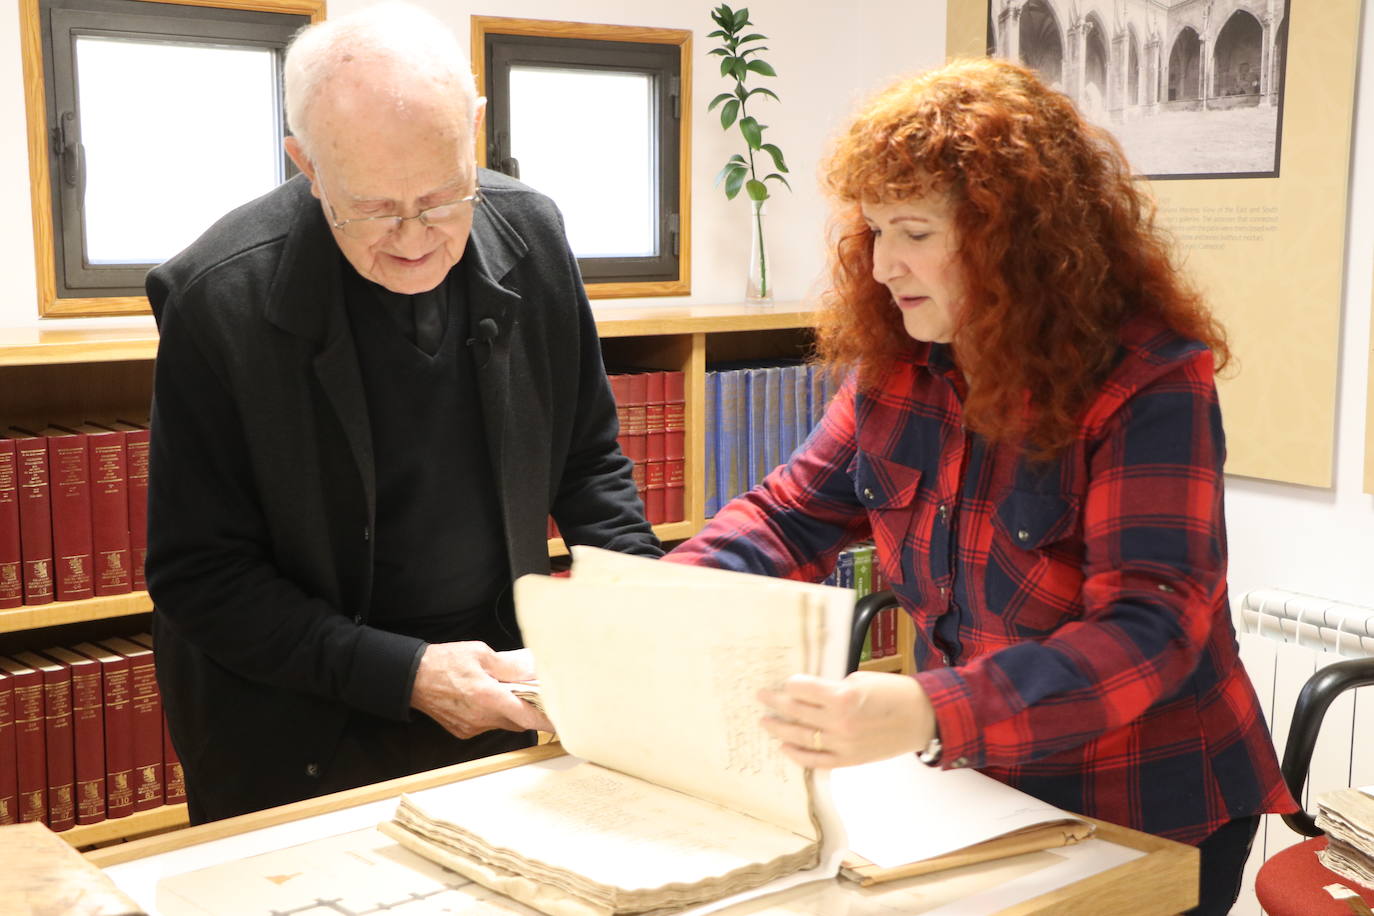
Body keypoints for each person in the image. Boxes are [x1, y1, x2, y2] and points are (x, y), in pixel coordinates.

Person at [666, 58, 1296, 914]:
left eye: (916, 232)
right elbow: (789, 517)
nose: (885, 265)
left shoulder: (1148, 379)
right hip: (980, 787)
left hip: (1147, 800)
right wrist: (649, 606)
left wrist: (930, 709)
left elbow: (1149, 630)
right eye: (875, 230)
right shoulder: (903, 364)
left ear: (1015, 241)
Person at [144, 3, 659, 823]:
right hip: (299, 721)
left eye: (442, 196)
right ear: (306, 165)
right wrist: (407, 673)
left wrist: (643, 608)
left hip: (493, 684)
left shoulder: (533, 233)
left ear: (474, 134)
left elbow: (588, 461)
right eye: (375, 209)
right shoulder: (219, 300)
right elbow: (199, 576)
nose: (415, 238)